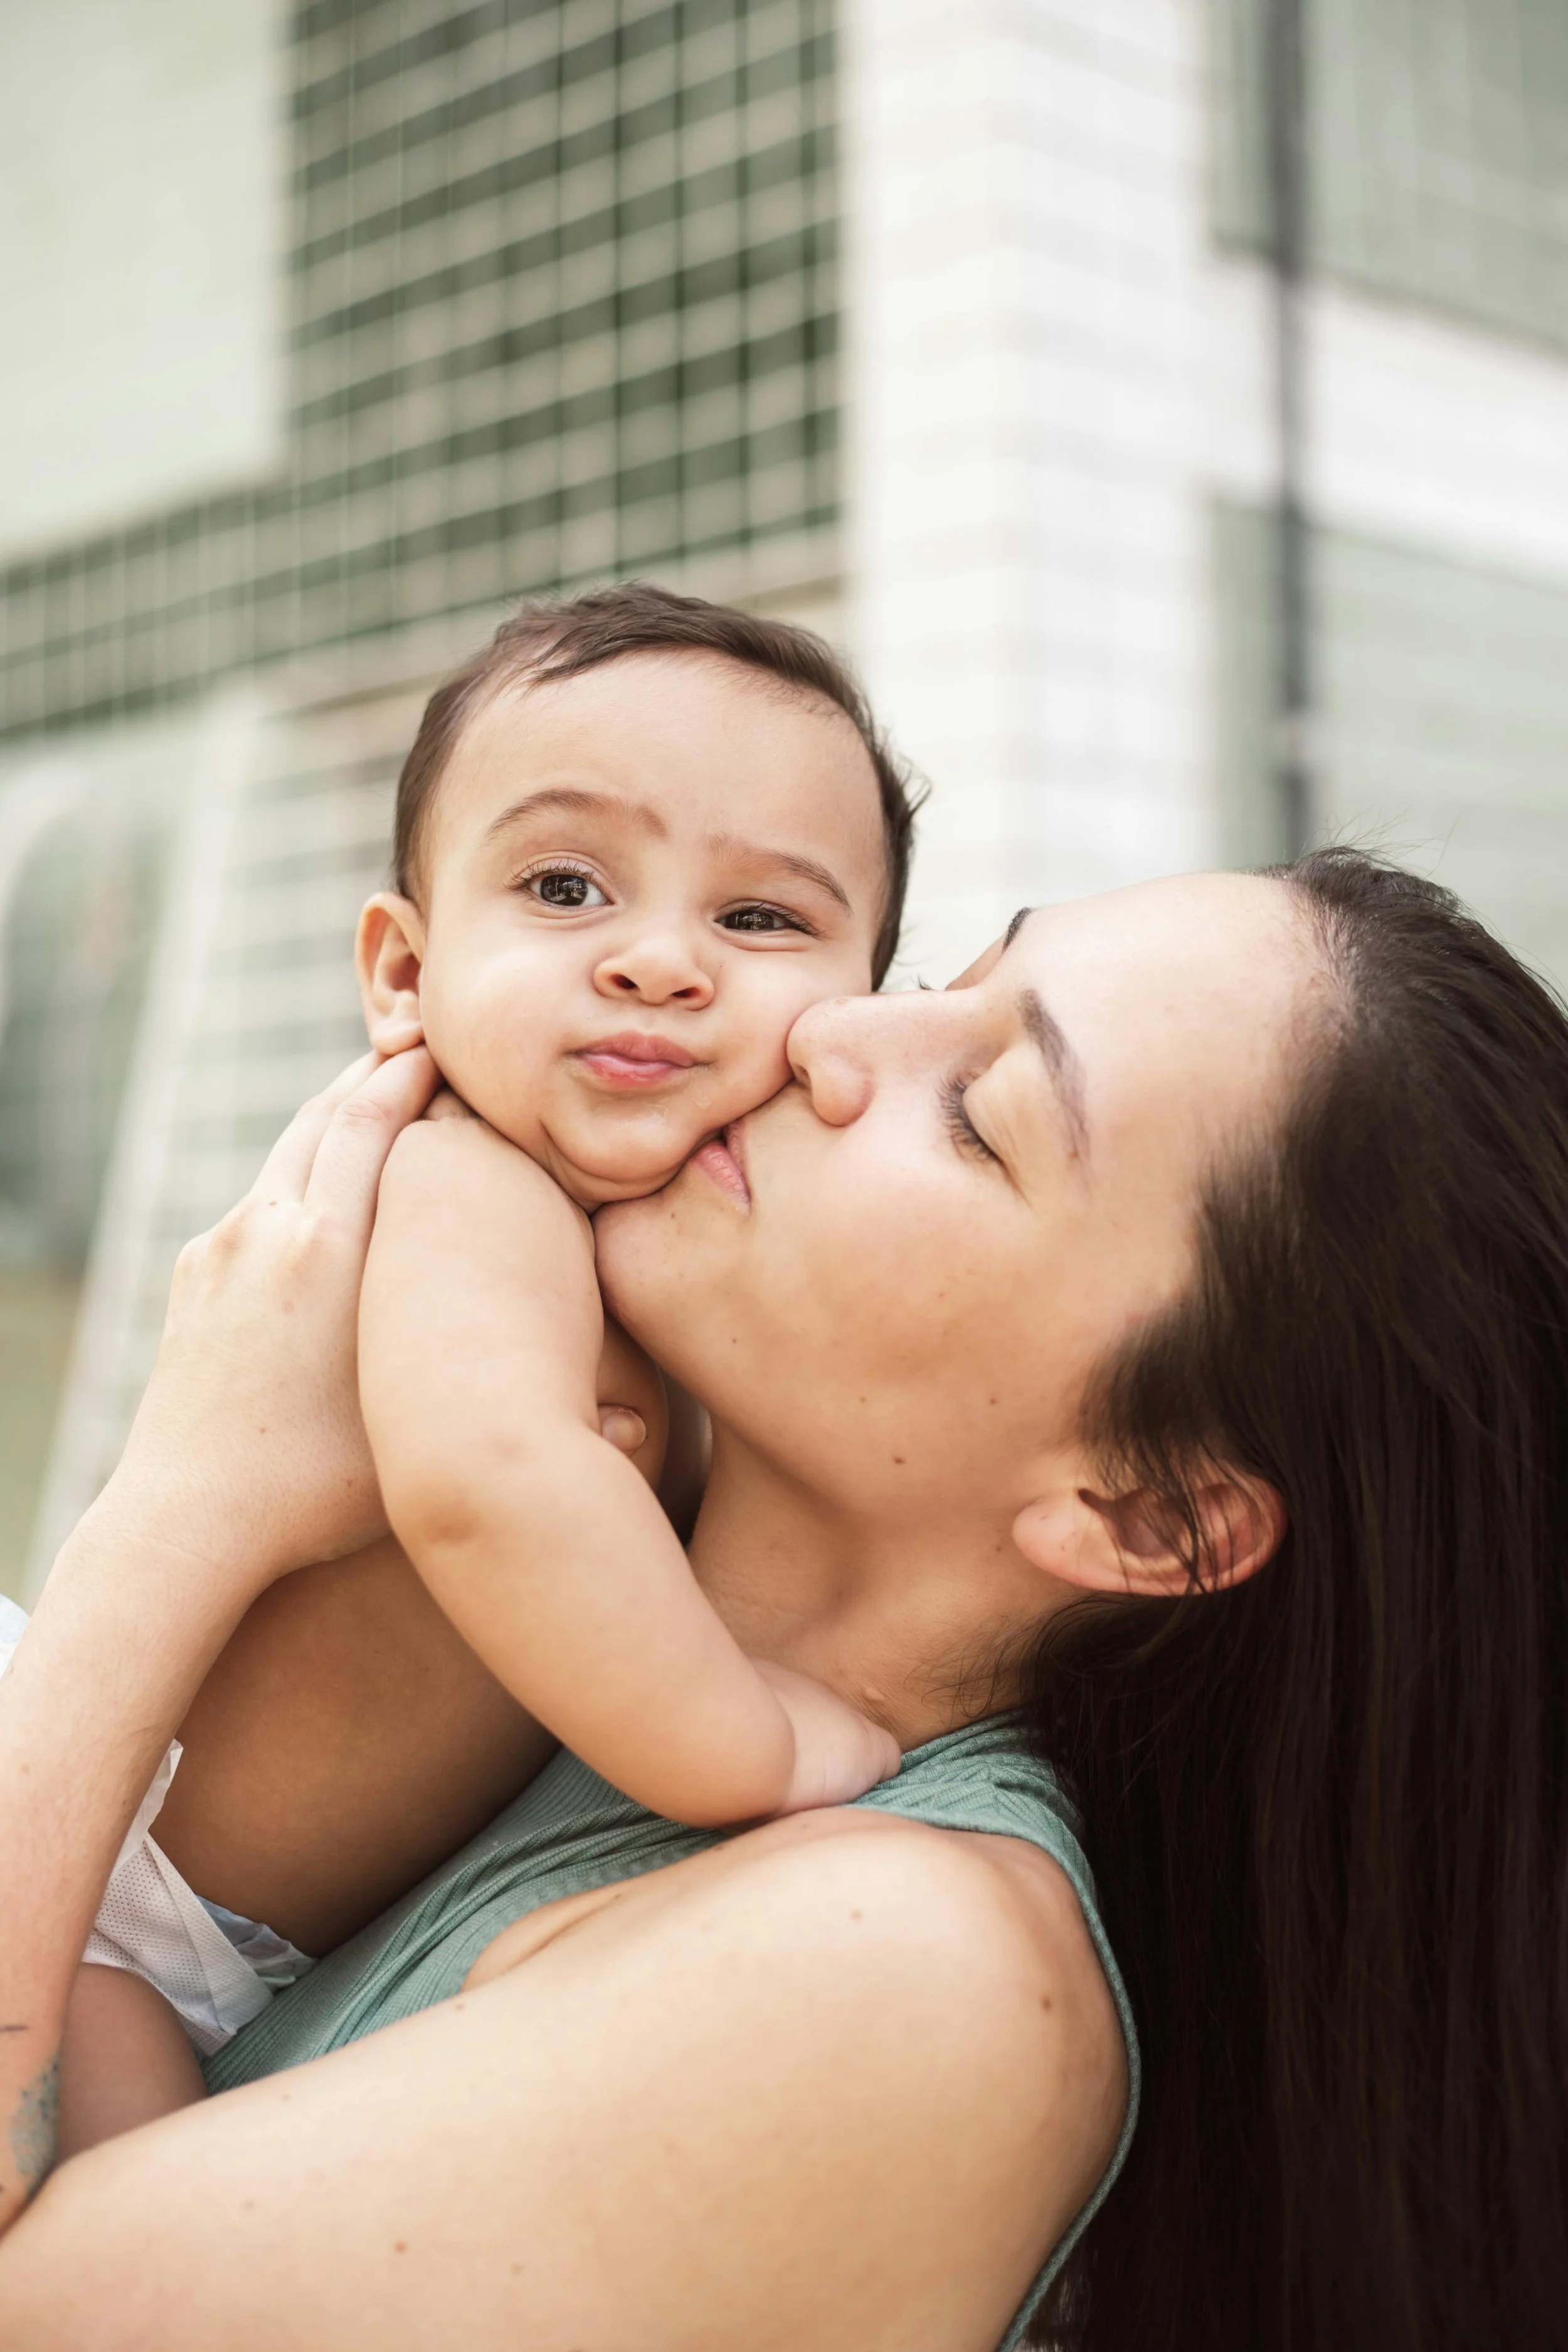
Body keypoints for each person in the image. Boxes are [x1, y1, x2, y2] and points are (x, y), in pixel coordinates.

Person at [1, 849, 1565, 2352]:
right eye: (950, 972)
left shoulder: (905, 1977)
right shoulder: (536, 1628)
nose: (824, 1029)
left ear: (1142, 1514)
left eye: (978, 1115)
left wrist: (183, 1506)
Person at [33, 585, 920, 2148]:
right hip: (118, 1900)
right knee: (109, 2221)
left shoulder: (675, 1268)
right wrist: (750, 1738)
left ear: (863, 1011)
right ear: (401, 976)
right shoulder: (468, 1186)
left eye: (761, 918)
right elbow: (488, 1484)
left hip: (203, 1919)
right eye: (567, 886)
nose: (658, 961)